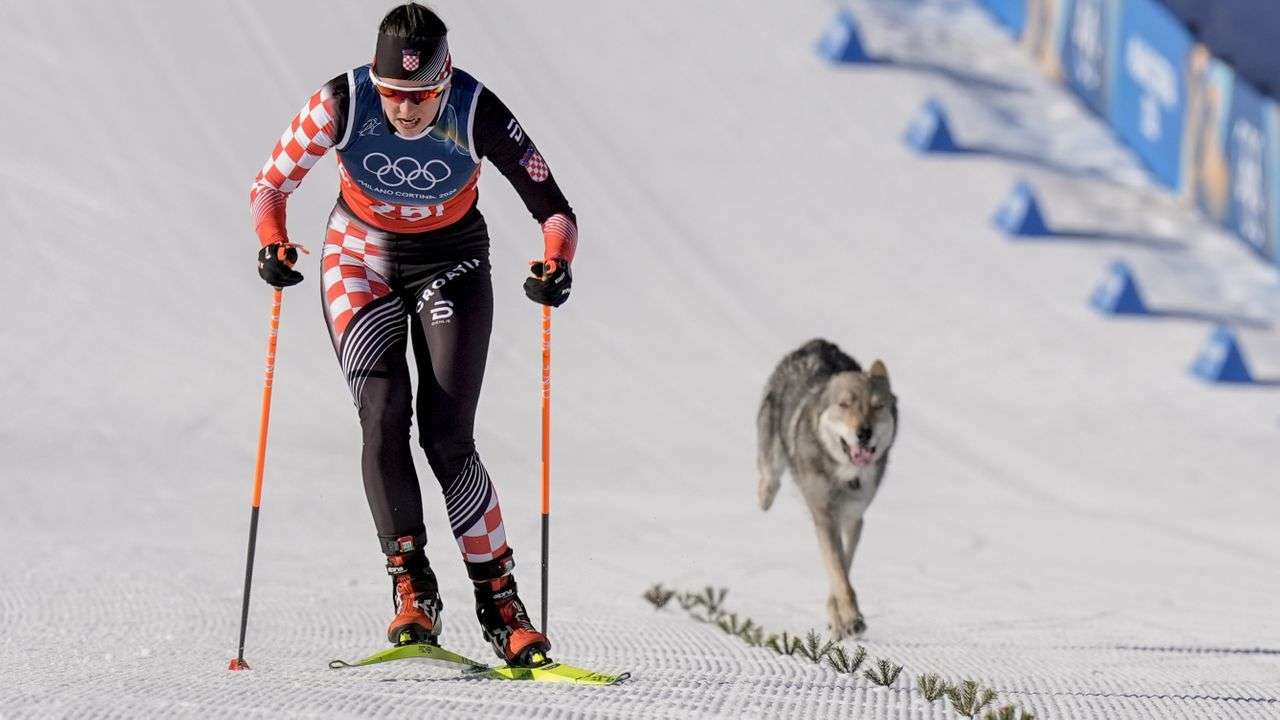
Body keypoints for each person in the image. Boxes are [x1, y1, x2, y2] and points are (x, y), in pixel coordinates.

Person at [247, 2, 575, 666]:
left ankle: (502, 605)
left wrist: (555, 264)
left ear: (444, 79)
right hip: (356, 259)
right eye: (395, 95)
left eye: (421, 95)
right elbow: (271, 186)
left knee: (449, 436)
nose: (405, 110)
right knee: (383, 412)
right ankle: (412, 589)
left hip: (451, 261)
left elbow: (554, 209)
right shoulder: (342, 101)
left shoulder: (477, 108)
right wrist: (274, 243)